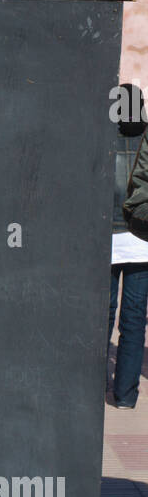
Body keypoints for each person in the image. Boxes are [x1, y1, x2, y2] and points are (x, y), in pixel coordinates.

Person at [109, 84, 148, 406]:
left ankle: (92, 387)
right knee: (134, 320)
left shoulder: (102, 138)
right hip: (142, 241)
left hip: (105, 240)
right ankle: (125, 395)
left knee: (102, 317)